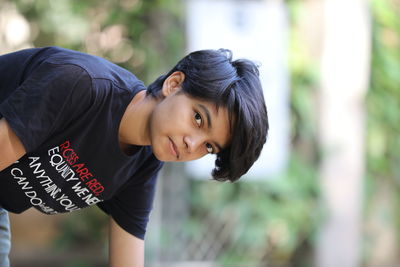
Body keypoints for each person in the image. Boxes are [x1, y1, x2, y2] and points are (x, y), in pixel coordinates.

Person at [0, 46, 269, 266]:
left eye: (209, 147)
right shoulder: (82, 84)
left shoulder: (145, 163)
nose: (192, 144)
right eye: (198, 118)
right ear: (174, 84)